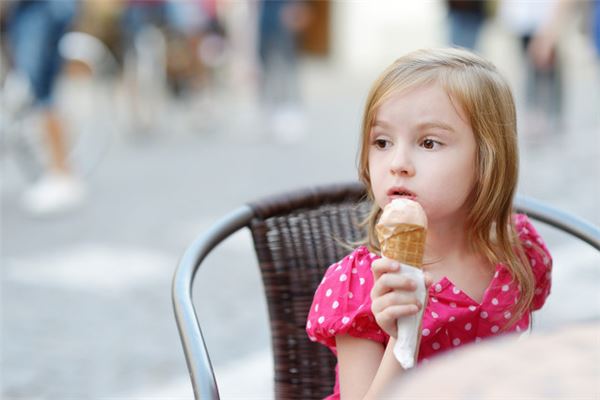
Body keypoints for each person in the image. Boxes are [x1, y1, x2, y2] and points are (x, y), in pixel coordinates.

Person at [305, 48, 553, 399]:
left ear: (486, 161)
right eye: (382, 142)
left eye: (428, 142)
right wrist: (401, 338)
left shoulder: (518, 251)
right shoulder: (362, 285)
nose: (398, 163)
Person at [5, 0, 85, 215]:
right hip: (47, 7)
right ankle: (61, 172)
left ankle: (61, 174)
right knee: (41, 92)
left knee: (39, 93)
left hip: (37, 8)